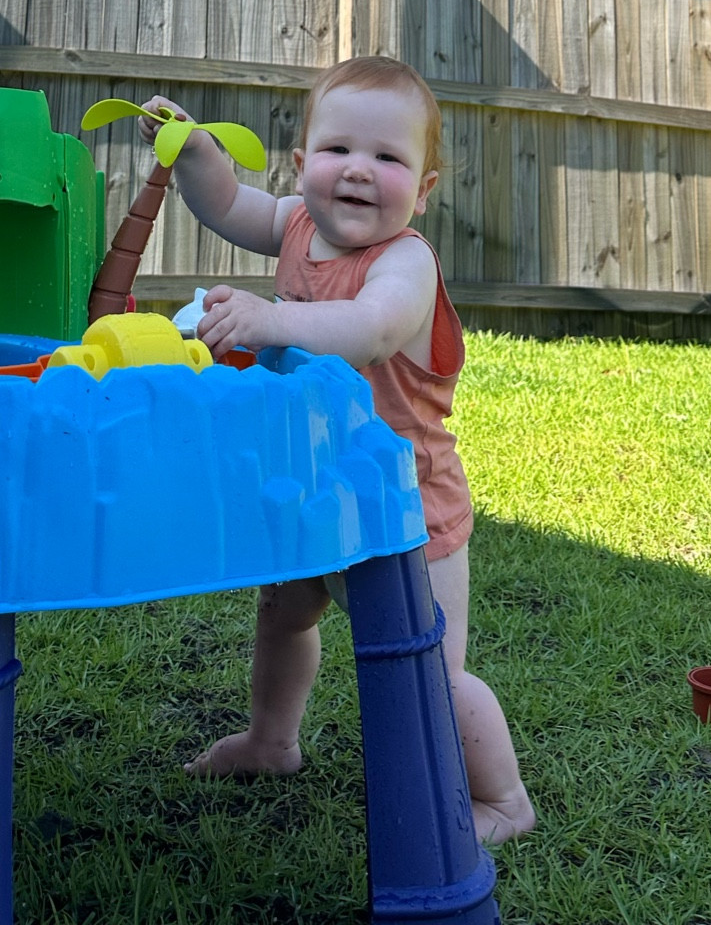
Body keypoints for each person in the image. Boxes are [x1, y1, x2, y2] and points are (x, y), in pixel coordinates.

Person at [139, 55, 536, 847]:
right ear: (301, 164)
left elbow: (370, 331)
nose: (358, 170)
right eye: (338, 149)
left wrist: (273, 319)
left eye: (387, 157)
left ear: (423, 189)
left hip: (406, 510)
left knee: (433, 669)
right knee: (285, 616)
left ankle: (502, 799)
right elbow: (227, 204)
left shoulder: (404, 262)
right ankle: (271, 742)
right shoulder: (296, 225)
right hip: (317, 483)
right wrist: (193, 153)